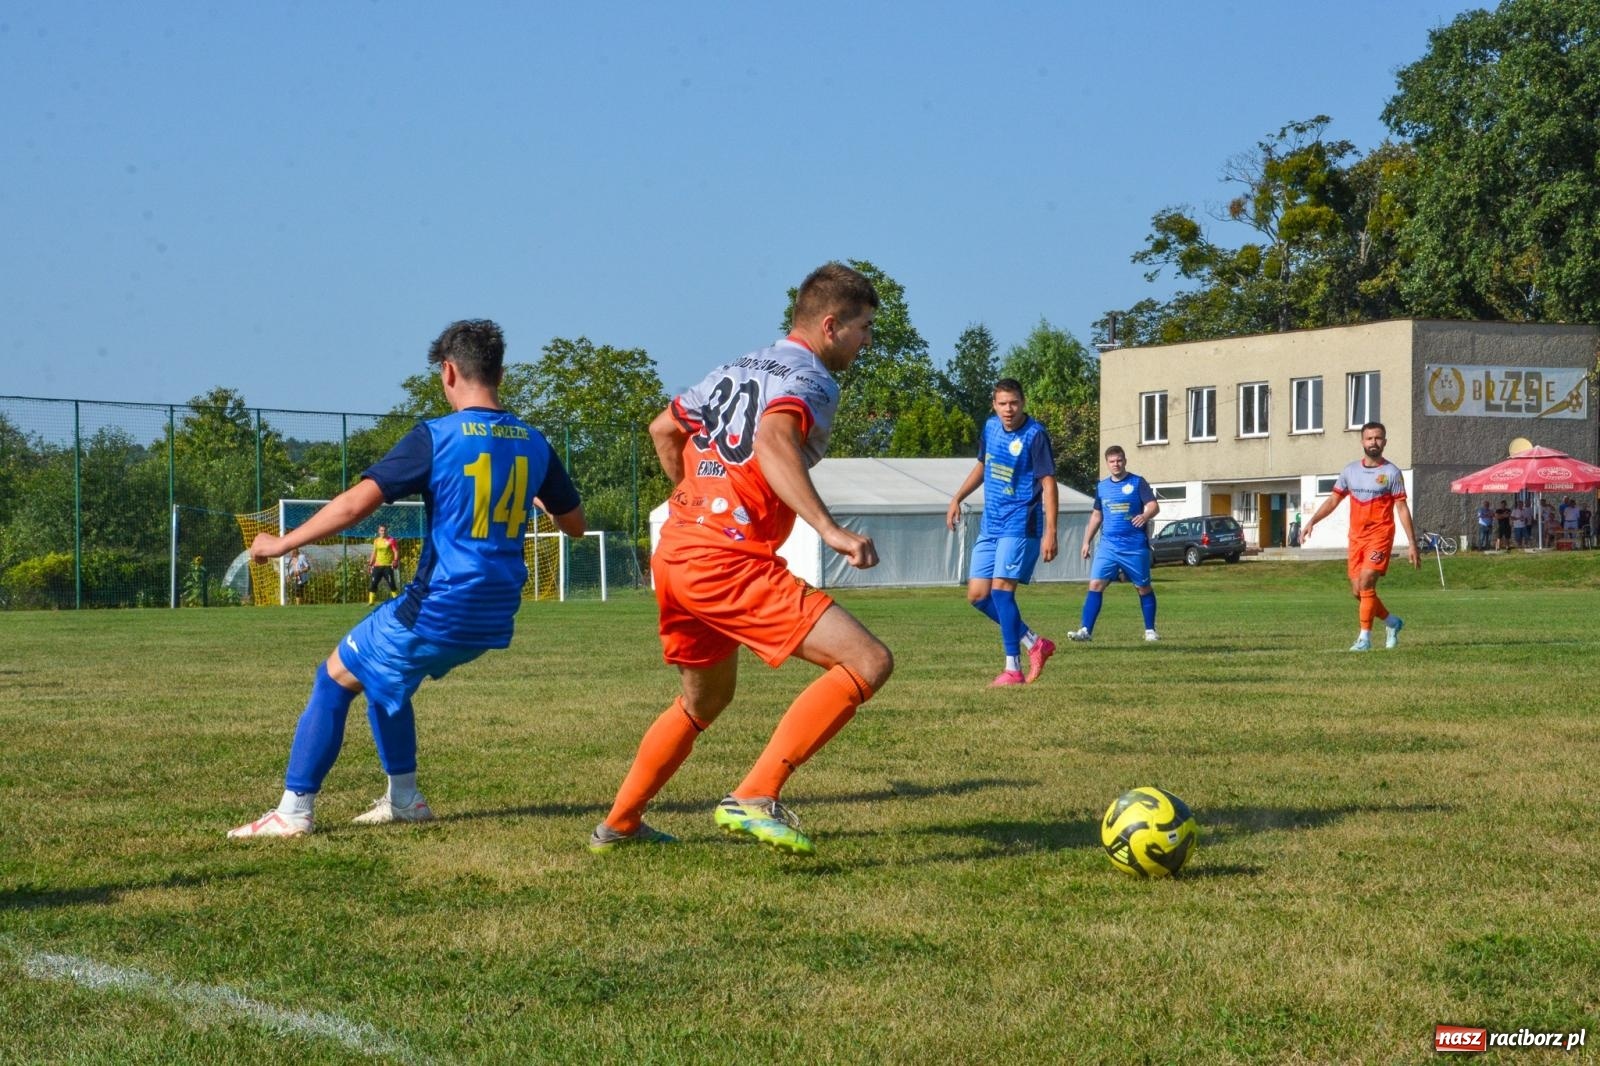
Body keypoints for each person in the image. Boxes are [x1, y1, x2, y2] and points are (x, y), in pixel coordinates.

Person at [228, 320, 584, 838]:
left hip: (439, 605)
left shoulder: (436, 437)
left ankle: (293, 811)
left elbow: (354, 505)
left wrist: (280, 544)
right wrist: (532, 496)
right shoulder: (534, 441)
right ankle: (405, 800)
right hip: (497, 609)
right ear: (501, 373)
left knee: (331, 679)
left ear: (447, 372)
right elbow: (574, 526)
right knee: (382, 681)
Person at [589, 262, 893, 857]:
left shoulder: (737, 365)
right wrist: (828, 528)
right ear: (830, 326)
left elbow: (662, 430)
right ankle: (756, 794)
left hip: (677, 552)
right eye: (864, 328)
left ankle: (619, 824)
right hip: (725, 560)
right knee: (867, 660)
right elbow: (773, 441)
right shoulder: (810, 379)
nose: (868, 342)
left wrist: (689, 500)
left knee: (705, 700)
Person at [945, 379, 1058, 687]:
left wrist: (1051, 531)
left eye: (1014, 403)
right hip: (991, 524)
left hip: (1021, 523)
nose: (1009, 409)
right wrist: (957, 497)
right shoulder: (991, 428)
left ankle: (1013, 669)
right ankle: (1035, 642)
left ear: (1023, 402)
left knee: (1000, 592)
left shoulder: (1035, 436)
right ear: (994, 405)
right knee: (978, 596)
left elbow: (1049, 484)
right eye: (1003, 403)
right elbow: (983, 466)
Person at [1300, 421, 1420, 651]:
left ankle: (1364, 639)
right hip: (1356, 538)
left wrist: (1412, 544)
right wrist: (1312, 521)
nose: (1373, 442)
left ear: (1384, 441)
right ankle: (1391, 622)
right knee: (1358, 591)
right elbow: (1334, 499)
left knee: (1366, 582)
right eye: (1369, 438)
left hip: (1380, 536)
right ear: (1362, 441)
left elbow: (1402, 508)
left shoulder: (1391, 473)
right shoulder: (1350, 471)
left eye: (1378, 438)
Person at [1068, 444, 1160, 643]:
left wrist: (1145, 515)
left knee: (1143, 587)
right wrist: (1086, 542)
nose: (1116, 464)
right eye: (1112, 461)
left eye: (1119, 460)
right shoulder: (1102, 487)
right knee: (1095, 584)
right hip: (1108, 546)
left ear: (1125, 461)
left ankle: (1150, 630)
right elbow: (1096, 515)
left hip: (1135, 546)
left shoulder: (1137, 482)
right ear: (1107, 463)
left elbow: (1153, 506)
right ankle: (1085, 630)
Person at [368, 523, 401, 604]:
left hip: (388, 566)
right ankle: (371, 602)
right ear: (379, 531)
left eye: (384, 530)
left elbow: (396, 551)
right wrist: (370, 564)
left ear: (387, 531)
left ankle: (397, 600)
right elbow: (374, 553)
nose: (383, 532)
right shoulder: (376, 541)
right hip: (377, 566)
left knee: (391, 584)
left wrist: (395, 560)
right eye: (381, 530)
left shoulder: (391, 540)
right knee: (373, 583)